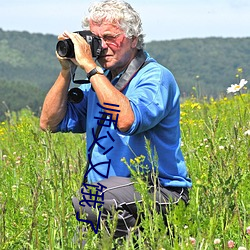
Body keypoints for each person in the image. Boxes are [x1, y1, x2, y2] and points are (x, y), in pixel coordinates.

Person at [40, 0, 192, 244]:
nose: (102, 47)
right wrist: (66, 70)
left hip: (160, 191)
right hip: (106, 196)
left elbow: (127, 121)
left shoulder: (155, 77)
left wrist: (90, 68)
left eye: (110, 37)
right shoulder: (98, 83)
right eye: (96, 39)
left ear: (133, 39)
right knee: (83, 240)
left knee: (98, 199)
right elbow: (49, 123)